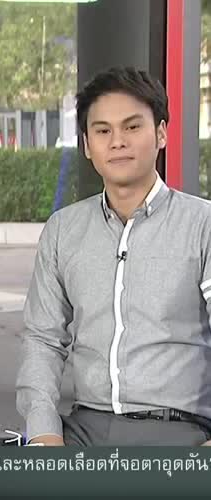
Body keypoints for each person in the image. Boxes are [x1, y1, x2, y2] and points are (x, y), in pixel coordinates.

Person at [16, 66, 211, 446]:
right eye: (103, 131)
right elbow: (42, 340)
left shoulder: (202, 224)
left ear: (161, 133)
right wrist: (43, 432)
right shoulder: (63, 230)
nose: (117, 142)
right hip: (84, 429)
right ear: (87, 145)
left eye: (132, 127)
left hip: (180, 432)